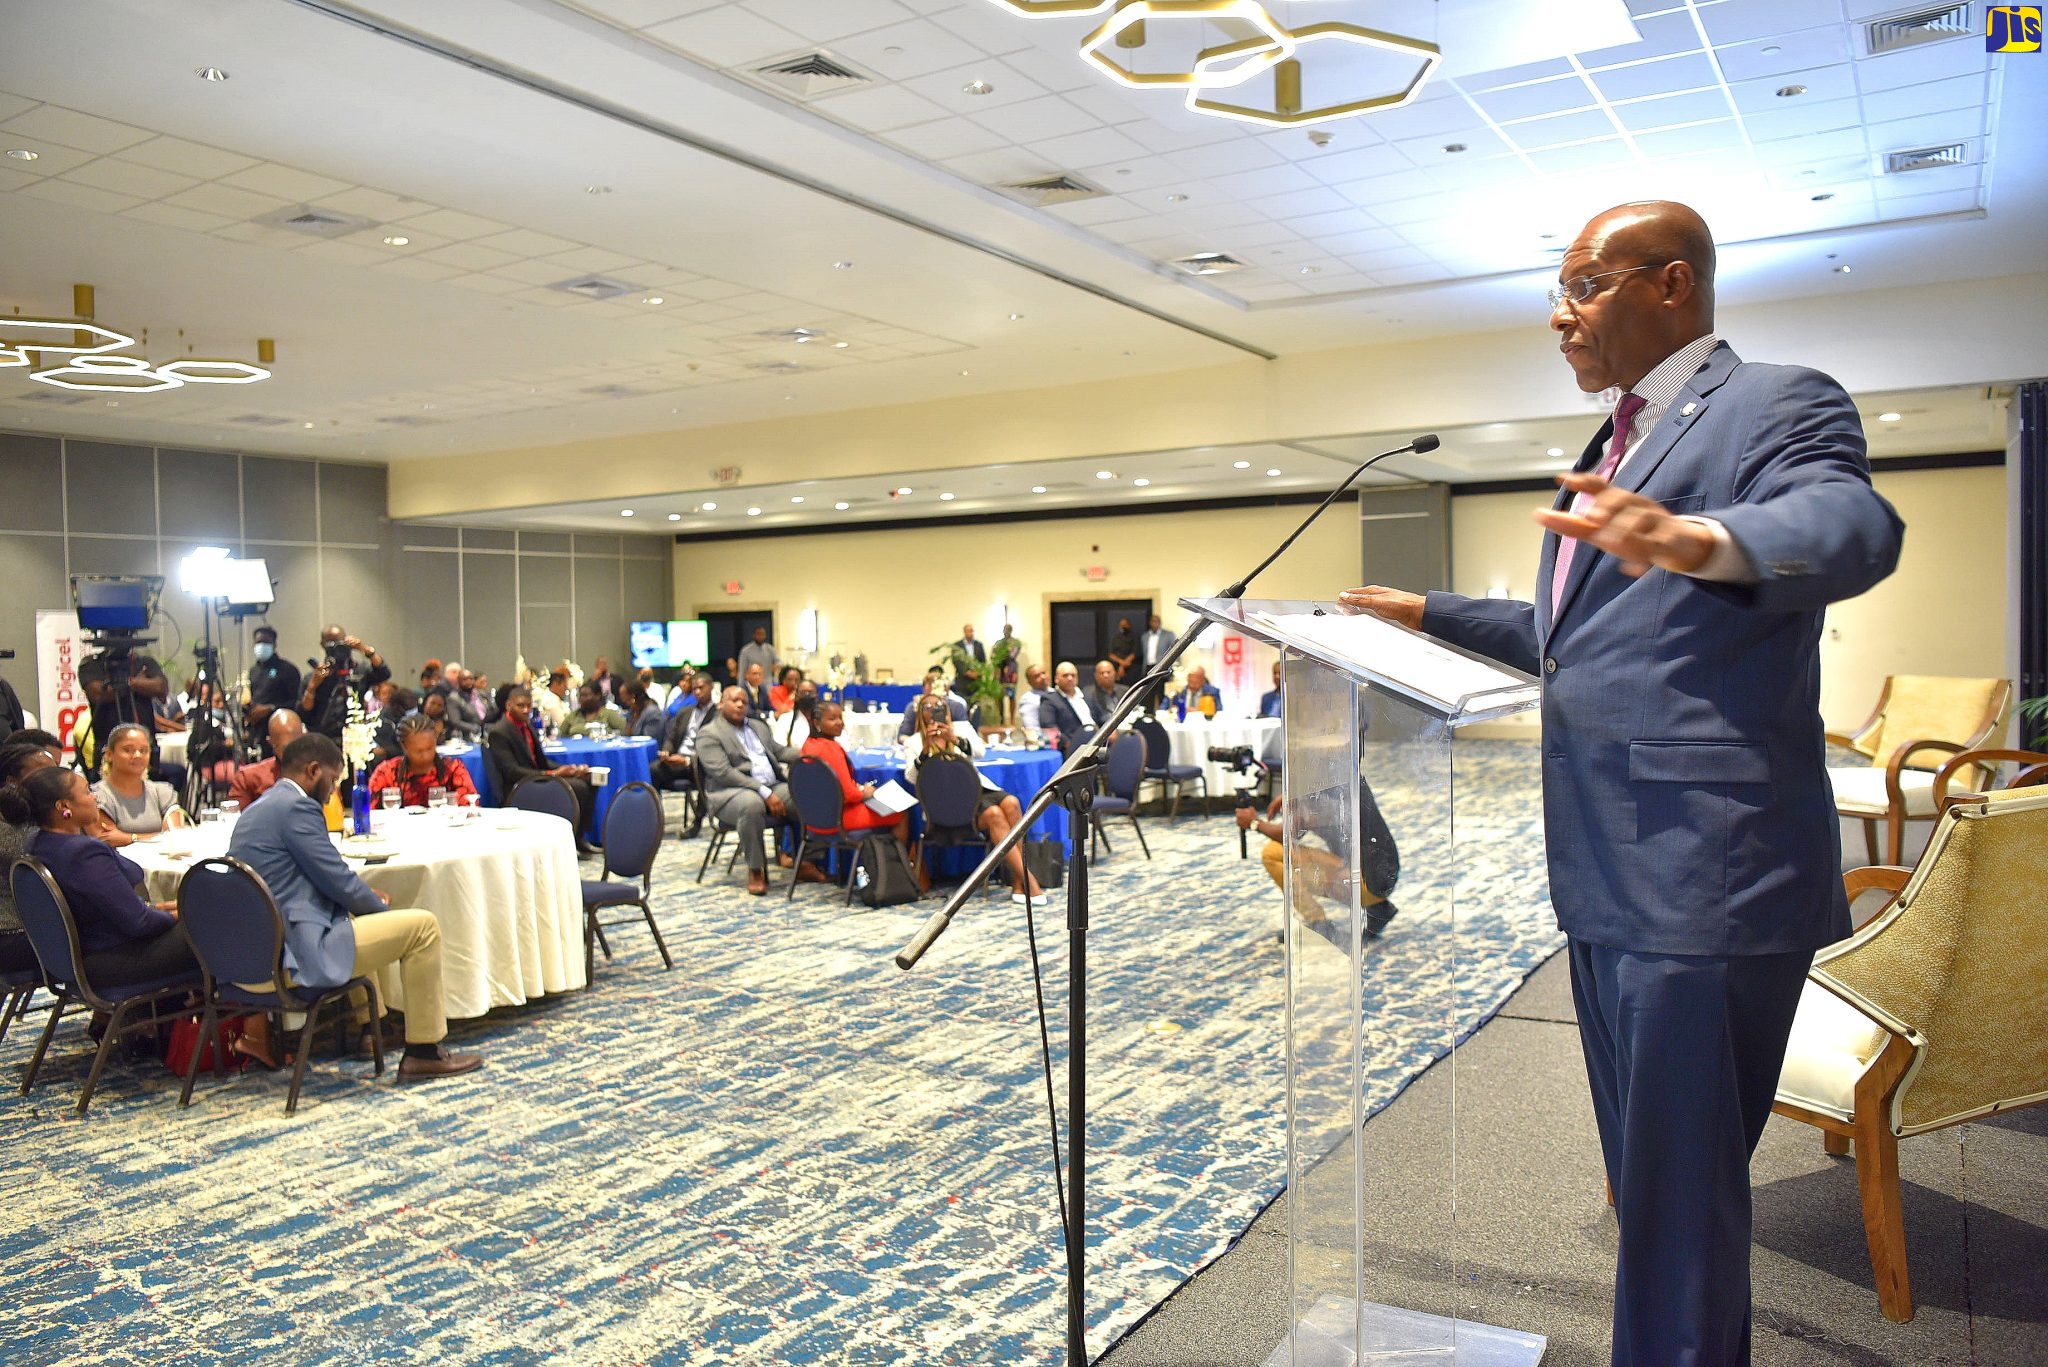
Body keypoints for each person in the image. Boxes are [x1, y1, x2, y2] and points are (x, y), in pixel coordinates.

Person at [1340, 200, 1904, 1366]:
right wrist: (1427, 610)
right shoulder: (1614, 442)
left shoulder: (1773, 399)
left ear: (1670, 285)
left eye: (1583, 284)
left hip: (1704, 868)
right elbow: (1577, 633)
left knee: (1676, 1205)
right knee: (1652, 1190)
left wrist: (1704, 538)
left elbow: (1850, 523)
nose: (1559, 313)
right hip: (1605, 871)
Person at [229, 734, 481, 1081]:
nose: (334, 792)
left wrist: (361, 899)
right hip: (291, 956)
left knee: (350, 912)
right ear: (313, 770)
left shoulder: (260, 806)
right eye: (333, 781)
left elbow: (313, 879)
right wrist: (379, 910)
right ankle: (425, 1051)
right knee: (421, 928)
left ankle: (372, 1028)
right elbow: (336, 878)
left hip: (250, 955)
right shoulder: (298, 808)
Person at [23, 766, 200, 986]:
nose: (95, 797)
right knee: (216, 926)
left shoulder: (36, 844)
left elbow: (113, 910)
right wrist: (186, 914)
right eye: (87, 792)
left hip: (74, 958)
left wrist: (169, 909)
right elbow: (140, 923)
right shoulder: (83, 854)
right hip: (112, 959)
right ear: (64, 806)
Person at [904, 709, 1044, 906]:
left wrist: (954, 738)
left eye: (939, 707)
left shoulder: (961, 728)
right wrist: (926, 749)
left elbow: (980, 752)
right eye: (928, 707)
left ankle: (1017, 879)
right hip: (945, 801)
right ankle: (1029, 880)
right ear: (921, 715)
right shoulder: (914, 742)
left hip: (976, 789)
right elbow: (912, 777)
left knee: (1011, 803)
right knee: (994, 814)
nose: (934, 712)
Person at [697, 684, 811, 896]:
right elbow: (723, 773)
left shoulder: (758, 727)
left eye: (744, 701)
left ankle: (805, 860)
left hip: (771, 785)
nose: (740, 704)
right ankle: (755, 869)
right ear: (722, 703)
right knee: (752, 804)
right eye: (734, 700)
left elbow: (779, 752)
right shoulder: (709, 734)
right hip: (729, 793)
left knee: (805, 797)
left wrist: (811, 753)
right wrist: (763, 791)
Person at [484, 686, 598, 852]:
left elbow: (540, 761)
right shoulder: (499, 732)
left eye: (528, 706)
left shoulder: (527, 725)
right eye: (520, 706)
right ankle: (568, 843)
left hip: (535, 778)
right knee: (578, 788)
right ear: (508, 706)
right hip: (518, 786)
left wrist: (570, 769)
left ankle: (579, 837)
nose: (525, 710)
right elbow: (512, 772)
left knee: (589, 779)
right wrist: (552, 774)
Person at [798, 701, 912, 851]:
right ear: (816, 722)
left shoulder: (809, 744)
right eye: (832, 719)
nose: (839, 722)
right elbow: (849, 795)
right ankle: (897, 868)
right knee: (900, 812)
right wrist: (865, 792)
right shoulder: (831, 749)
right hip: (836, 819)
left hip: (812, 817)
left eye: (840, 717)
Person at [0, 740, 61, 974]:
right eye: (44, 772)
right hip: (12, 935)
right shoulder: (14, 826)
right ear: (12, 781)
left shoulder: (33, 817)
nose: (54, 779)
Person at [78, 643, 171, 783]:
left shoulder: (144, 662)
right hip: (107, 744)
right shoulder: (92, 664)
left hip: (146, 745)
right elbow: (97, 693)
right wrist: (138, 682)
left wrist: (126, 683)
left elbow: (160, 687)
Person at [89, 723, 190, 839]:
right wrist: (159, 837)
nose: (137, 755)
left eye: (144, 750)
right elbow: (107, 839)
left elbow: (174, 836)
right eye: (128, 750)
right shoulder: (97, 796)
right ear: (109, 754)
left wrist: (130, 838)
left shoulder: (162, 792)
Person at [300, 625, 391, 743]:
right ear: (322, 644)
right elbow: (303, 712)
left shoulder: (359, 671)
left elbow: (384, 673)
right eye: (331, 642)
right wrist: (313, 686)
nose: (337, 646)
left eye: (340, 641)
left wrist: (365, 649)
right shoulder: (315, 676)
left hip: (354, 737)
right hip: (322, 738)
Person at [367, 716, 479, 809]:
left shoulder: (453, 769)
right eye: (418, 751)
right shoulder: (387, 772)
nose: (425, 756)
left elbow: (470, 804)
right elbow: (371, 810)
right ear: (404, 746)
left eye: (430, 748)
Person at [228, 710, 307, 811]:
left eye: (297, 745)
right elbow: (236, 822)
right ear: (271, 742)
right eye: (285, 749)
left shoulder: (317, 774)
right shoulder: (248, 778)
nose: (292, 753)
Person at [244, 625, 302, 745]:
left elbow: (297, 703)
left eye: (266, 642)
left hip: (280, 729)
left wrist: (271, 708)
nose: (261, 646)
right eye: (258, 642)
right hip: (257, 731)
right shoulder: (253, 671)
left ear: (274, 645)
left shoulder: (287, 669)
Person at [1039, 662, 1098, 750]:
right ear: (1056, 679)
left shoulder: (1086, 696)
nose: (1070, 678)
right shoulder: (1049, 699)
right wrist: (1068, 744)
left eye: (1073, 675)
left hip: (1096, 742)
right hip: (1071, 748)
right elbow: (1049, 726)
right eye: (1065, 675)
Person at [893, 674, 969, 740]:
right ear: (923, 689)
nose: (932, 689)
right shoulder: (913, 707)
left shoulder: (956, 707)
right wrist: (916, 744)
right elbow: (902, 736)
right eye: (929, 685)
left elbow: (966, 736)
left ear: (945, 690)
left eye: (936, 687)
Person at [433, 661, 483, 743]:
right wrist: (475, 728)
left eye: (471, 679)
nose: (469, 682)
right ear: (459, 681)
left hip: (483, 733)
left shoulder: (479, 695)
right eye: (465, 679)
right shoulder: (453, 698)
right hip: (465, 737)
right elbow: (455, 722)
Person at [558, 683, 628, 739]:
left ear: (597, 696)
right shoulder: (574, 715)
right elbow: (560, 735)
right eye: (581, 695)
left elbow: (625, 731)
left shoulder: (608, 714)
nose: (582, 699)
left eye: (586, 695)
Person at [771, 684, 818, 749]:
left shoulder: (823, 719)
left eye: (811, 692)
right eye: (803, 692)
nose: (807, 695)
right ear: (796, 696)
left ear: (817, 695)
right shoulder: (785, 719)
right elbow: (780, 749)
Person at [1016, 664, 1055, 740]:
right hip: (1043, 739)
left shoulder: (1056, 693)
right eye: (1037, 676)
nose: (1043, 677)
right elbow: (1031, 727)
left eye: (1044, 673)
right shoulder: (1028, 699)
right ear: (1029, 682)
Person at [532, 667, 574, 732]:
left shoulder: (555, 698)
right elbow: (561, 723)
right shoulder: (550, 699)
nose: (566, 690)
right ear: (555, 684)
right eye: (564, 686)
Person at [1106, 616, 1137, 683]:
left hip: (1130, 668)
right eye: (1121, 625)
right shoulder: (1115, 638)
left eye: (1125, 625)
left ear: (1129, 625)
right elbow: (1111, 654)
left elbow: (1134, 653)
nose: (1123, 627)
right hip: (1116, 667)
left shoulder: (1134, 637)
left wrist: (1122, 666)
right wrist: (1121, 663)